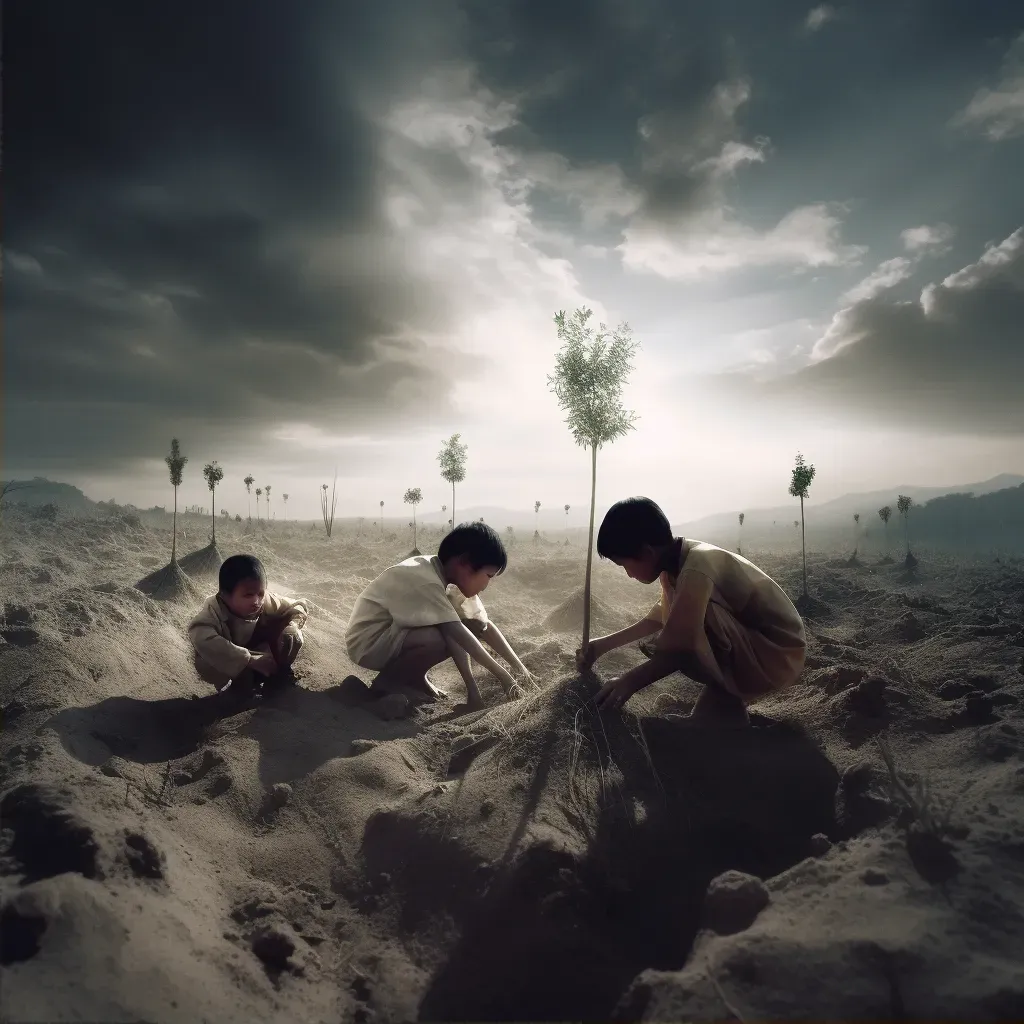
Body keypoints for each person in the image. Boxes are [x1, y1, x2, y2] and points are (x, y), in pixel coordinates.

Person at [578, 497, 806, 724]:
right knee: (684, 619)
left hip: (778, 652)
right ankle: (724, 707)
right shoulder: (674, 564)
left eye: (625, 565)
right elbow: (659, 617)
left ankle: (728, 701)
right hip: (756, 645)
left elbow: (680, 646)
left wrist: (628, 683)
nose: (628, 574)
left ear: (647, 553)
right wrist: (600, 646)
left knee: (696, 623)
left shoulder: (696, 569)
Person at [346, 522, 532, 714]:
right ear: (464, 563)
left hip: (393, 634)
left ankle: (417, 678)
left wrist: (521, 671)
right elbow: (456, 632)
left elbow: (483, 627)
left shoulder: (452, 579)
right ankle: (386, 683)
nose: (487, 584)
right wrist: (505, 679)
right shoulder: (425, 579)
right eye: (488, 575)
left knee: (461, 626)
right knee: (444, 633)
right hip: (368, 642)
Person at [188, 554, 308, 704]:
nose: (256, 601)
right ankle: (240, 690)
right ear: (225, 595)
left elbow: (297, 605)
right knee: (205, 660)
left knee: (292, 634)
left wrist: (290, 626)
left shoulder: (265, 601)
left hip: (263, 654)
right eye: (248, 595)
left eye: (260, 593)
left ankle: (276, 679)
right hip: (233, 660)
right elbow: (201, 637)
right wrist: (249, 659)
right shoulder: (213, 611)